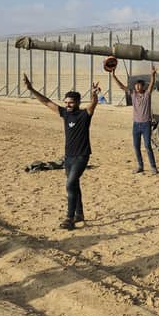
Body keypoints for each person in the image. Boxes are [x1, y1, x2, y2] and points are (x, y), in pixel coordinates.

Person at [22, 74, 100, 230]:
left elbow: (93, 103)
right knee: (74, 184)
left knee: (70, 184)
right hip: (68, 157)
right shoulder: (65, 114)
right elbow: (46, 102)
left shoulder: (84, 114)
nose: (68, 105)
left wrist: (93, 94)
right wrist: (31, 89)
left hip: (81, 156)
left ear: (77, 102)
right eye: (66, 103)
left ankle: (69, 218)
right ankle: (80, 214)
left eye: (70, 103)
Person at [111, 64, 158, 175]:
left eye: (139, 86)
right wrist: (113, 75)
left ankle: (153, 167)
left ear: (143, 87)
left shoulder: (147, 94)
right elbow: (122, 87)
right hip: (136, 125)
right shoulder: (133, 94)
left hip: (146, 124)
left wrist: (153, 75)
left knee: (147, 146)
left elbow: (151, 84)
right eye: (136, 86)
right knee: (136, 146)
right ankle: (140, 166)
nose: (137, 87)